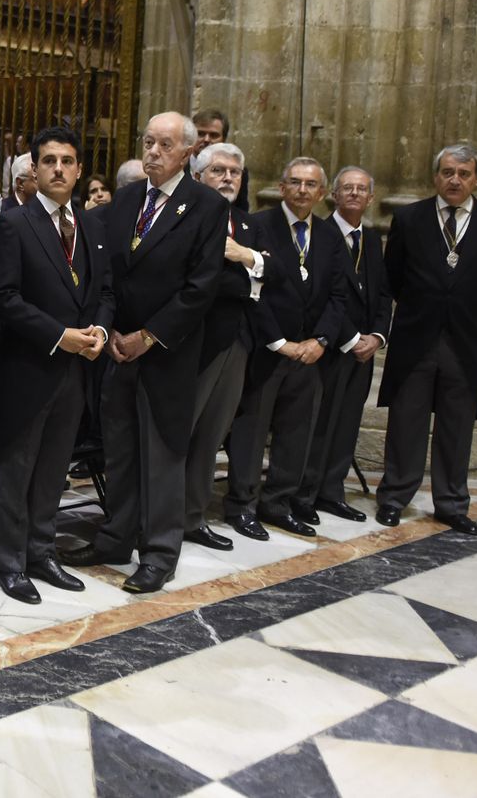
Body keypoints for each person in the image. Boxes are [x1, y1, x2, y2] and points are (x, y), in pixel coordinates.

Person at [62, 112, 223, 594]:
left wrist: (148, 336)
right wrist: (110, 329)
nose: (152, 151)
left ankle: (158, 552)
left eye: (164, 144)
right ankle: (115, 538)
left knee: (162, 454)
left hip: (165, 352)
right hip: (119, 348)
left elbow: (201, 287)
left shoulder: (205, 206)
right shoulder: (128, 198)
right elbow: (110, 271)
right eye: (148, 142)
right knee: (121, 451)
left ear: (188, 152)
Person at [0, 126, 110, 603]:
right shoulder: (16, 224)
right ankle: (10, 562)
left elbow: (106, 291)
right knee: (15, 469)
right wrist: (61, 336)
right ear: (34, 169)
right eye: (49, 160)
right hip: (30, 365)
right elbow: (4, 298)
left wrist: (99, 329)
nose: (59, 168)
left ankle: (42, 550)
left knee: (55, 466)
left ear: (78, 170)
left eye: (67, 161)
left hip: (77, 371)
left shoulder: (92, 225)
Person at [375, 144, 477, 534]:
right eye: (448, 172)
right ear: (435, 176)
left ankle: (452, 503)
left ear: (476, 179)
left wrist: (461, 310)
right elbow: (394, 276)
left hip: (464, 341)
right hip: (415, 336)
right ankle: (393, 497)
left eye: (464, 173)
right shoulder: (408, 218)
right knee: (406, 421)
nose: (455, 179)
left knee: (457, 425)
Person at [222, 157, 352, 540]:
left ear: (322, 192)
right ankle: (241, 505)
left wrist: (321, 341)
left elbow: (338, 296)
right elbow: (251, 290)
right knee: (251, 429)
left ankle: (277, 502)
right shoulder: (258, 225)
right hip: (268, 348)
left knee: (297, 432)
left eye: (311, 184)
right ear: (281, 187)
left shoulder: (329, 236)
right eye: (294, 182)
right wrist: (279, 342)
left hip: (310, 353)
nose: (302, 190)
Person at [182, 143, 264, 552]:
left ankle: (192, 516)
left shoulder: (248, 226)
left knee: (211, 435)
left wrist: (248, 260)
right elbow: (207, 283)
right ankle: (159, 516)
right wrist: (249, 277)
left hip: (237, 342)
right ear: (198, 176)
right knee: (182, 432)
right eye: (218, 170)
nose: (229, 177)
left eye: (235, 171)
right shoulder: (187, 218)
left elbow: (276, 273)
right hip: (194, 340)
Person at [296, 166, 390, 521]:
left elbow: (382, 294)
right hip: (332, 344)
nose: (354, 193)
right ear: (333, 194)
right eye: (346, 188)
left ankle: (332, 490)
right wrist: (350, 338)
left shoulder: (373, 238)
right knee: (319, 422)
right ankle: (304, 493)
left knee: (347, 421)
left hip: (364, 351)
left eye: (361, 189)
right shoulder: (318, 234)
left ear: (371, 197)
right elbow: (324, 295)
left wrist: (377, 336)